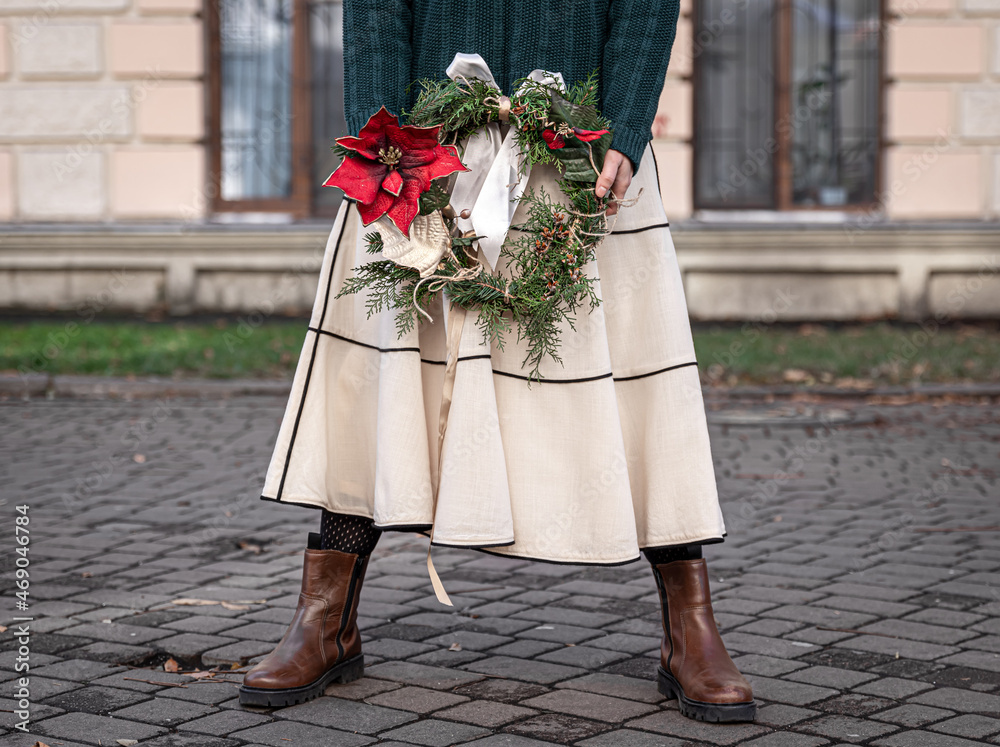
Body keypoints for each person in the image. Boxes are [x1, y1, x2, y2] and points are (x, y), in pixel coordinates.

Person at [238, 0, 756, 723]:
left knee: (639, 396)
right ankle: (326, 621)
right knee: (388, 386)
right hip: (427, 161)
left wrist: (628, 126)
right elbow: (377, 12)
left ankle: (689, 630)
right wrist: (382, 151)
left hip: (582, 166)